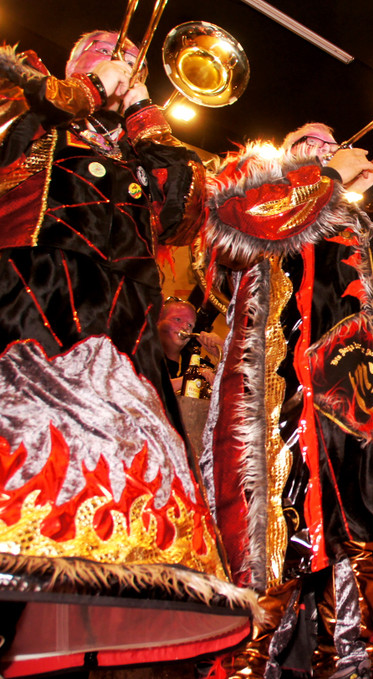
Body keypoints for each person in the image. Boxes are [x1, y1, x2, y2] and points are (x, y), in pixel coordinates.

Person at [0, 30, 257, 674]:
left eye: (124, 54)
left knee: (118, 534)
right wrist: (82, 92)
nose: (118, 57)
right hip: (33, 305)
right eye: (100, 49)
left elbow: (183, 212)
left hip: (123, 338)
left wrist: (144, 113)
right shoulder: (31, 105)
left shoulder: (135, 155)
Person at [199, 122, 373, 678]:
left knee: (368, 535)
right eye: (311, 142)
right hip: (288, 394)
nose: (326, 148)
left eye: (332, 144)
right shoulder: (257, 176)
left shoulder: (361, 218)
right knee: (280, 538)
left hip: (370, 405)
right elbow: (236, 225)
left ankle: (350, 661)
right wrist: (327, 176)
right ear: (285, 151)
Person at [157, 296, 222, 393]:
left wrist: (220, 352)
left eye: (190, 325)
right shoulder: (143, 349)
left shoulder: (183, 361)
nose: (185, 327)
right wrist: (195, 374)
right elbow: (153, 388)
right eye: (177, 319)